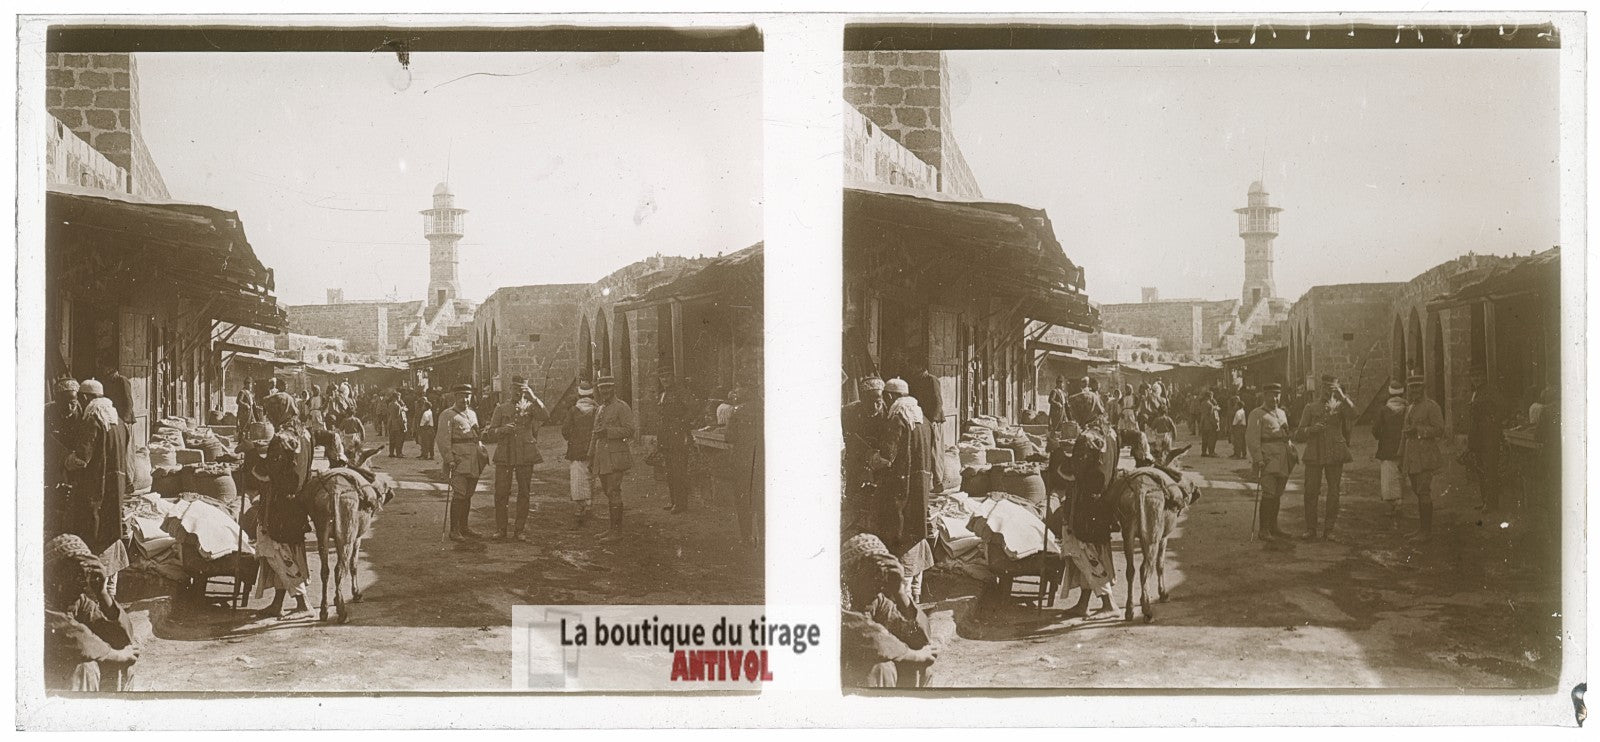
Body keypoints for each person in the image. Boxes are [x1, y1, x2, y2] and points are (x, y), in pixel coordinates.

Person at [62, 379, 130, 598]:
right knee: (111, 532)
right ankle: (111, 594)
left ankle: (98, 599)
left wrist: (64, 460)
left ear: (84, 398)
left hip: (96, 490)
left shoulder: (93, 419)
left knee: (94, 534)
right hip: (115, 488)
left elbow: (82, 459)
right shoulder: (118, 421)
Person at [44, 534, 138, 691]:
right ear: (55, 575)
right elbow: (76, 637)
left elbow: (122, 636)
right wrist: (116, 655)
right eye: (74, 574)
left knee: (125, 658)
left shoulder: (77, 601)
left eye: (84, 575)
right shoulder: (38, 602)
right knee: (85, 668)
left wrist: (102, 592)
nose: (82, 582)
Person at [840, 533, 935, 688]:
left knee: (922, 665)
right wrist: (915, 655)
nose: (880, 581)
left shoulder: (876, 599)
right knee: (881, 669)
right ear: (855, 571)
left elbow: (919, 637)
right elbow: (872, 637)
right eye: (873, 573)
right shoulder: (839, 598)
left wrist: (900, 593)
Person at [870, 378, 935, 603]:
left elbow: (887, 457)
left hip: (901, 489)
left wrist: (871, 461)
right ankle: (916, 593)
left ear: (890, 397)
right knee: (916, 532)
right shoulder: (924, 420)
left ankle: (904, 599)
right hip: (921, 487)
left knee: (899, 534)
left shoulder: (898, 419)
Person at [242, 431, 314, 619]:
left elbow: (267, 472)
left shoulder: (282, 441)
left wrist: (251, 455)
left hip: (281, 512)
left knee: (281, 555)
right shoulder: (302, 436)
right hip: (289, 509)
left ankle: (303, 604)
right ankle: (277, 604)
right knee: (280, 557)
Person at [1058, 426, 1118, 616]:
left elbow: (1074, 471)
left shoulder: (1087, 437)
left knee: (1086, 553)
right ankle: (1083, 604)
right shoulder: (1110, 433)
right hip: (1102, 502)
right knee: (1091, 553)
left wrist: (1057, 455)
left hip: (1085, 506)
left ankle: (1109, 604)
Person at [486, 376, 548, 541]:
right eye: (516, 390)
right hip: (505, 455)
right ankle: (501, 529)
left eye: (522, 390)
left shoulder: (531, 407)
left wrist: (534, 398)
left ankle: (519, 530)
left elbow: (545, 416)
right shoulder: (501, 408)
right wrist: (502, 430)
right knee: (501, 492)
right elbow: (491, 432)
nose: (518, 393)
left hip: (525, 454)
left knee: (524, 493)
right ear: (510, 390)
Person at [1294, 374, 1355, 541]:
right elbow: (1299, 433)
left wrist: (1343, 397)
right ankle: (1311, 529)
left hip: (1335, 453)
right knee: (1310, 491)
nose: (1329, 392)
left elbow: (1354, 414)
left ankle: (1329, 530)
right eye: (1326, 388)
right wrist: (1311, 429)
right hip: (1314, 453)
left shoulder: (1341, 406)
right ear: (1321, 388)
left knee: (1334, 492)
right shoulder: (1310, 407)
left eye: (1332, 389)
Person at [437, 384, 487, 546]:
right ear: (454, 397)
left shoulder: (472, 413)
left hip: (473, 460)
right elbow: (443, 440)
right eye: (461, 396)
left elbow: (476, 435)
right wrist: (449, 459)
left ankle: (465, 527)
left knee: (468, 494)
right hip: (458, 460)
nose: (465, 399)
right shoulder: (447, 415)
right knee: (459, 495)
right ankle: (454, 530)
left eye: (468, 396)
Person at [589, 375, 638, 535]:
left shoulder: (621, 407)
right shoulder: (600, 408)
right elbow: (595, 434)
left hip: (616, 457)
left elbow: (630, 430)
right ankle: (611, 529)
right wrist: (591, 455)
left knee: (614, 491)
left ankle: (616, 532)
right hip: (602, 457)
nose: (605, 391)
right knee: (608, 492)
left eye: (608, 387)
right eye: (602, 388)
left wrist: (608, 432)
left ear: (614, 388)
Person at [1246, 382, 1293, 542]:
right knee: (1269, 494)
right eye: (1272, 395)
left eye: (1277, 394)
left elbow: (1286, 435)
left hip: (1282, 458)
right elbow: (1252, 439)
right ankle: (1264, 529)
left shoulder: (1282, 413)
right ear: (1264, 395)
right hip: (1267, 459)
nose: (1275, 398)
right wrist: (1258, 458)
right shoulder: (1257, 414)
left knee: (1278, 494)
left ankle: (1274, 526)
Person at [1401, 375, 1445, 540]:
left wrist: (1419, 430)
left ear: (1423, 388)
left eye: (1417, 387)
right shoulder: (1410, 407)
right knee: (1417, 490)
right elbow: (1404, 433)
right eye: (1411, 387)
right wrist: (1400, 456)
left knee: (1423, 491)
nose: (1414, 390)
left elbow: (1440, 429)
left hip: (1426, 455)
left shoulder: (1431, 406)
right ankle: (1421, 529)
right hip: (1411, 456)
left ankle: (1426, 532)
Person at [842, 377, 888, 531]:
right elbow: (849, 437)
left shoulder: (887, 412)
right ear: (863, 399)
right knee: (854, 490)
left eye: (879, 399)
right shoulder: (850, 412)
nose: (877, 404)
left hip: (878, 457)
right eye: (872, 400)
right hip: (857, 455)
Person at [45, 378, 83, 536]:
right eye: (64, 403)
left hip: (73, 460)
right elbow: (46, 439)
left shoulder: (81, 411)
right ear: (56, 400)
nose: (69, 407)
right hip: (54, 458)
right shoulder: (47, 412)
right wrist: (64, 456)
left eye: (72, 402)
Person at [728, 385, 764, 550]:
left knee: (743, 500)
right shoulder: (765, 410)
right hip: (760, 461)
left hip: (742, 461)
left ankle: (746, 537)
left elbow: (729, 436)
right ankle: (763, 538)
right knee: (761, 500)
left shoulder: (737, 411)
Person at [657, 373, 697, 514]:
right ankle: (674, 501)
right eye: (662, 377)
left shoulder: (681, 393)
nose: (665, 379)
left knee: (679, 469)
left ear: (673, 378)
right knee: (669, 470)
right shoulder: (662, 395)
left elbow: (693, 408)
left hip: (678, 436)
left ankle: (681, 504)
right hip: (665, 436)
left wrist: (681, 424)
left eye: (667, 376)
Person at [907, 362, 948, 493]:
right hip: (923, 420)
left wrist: (934, 420)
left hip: (934, 421)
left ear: (921, 366)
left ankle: (938, 482)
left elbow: (938, 402)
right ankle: (931, 482)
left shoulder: (931, 379)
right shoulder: (916, 381)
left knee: (934, 451)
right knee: (926, 451)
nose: (911, 368)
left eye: (913, 366)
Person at [1372, 380, 1409, 526]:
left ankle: (1395, 504)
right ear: (1402, 393)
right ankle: (1401, 502)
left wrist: (1381, 436)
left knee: (1389, 475)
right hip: (1405, 447)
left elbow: (1375, 430)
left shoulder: (1384, 410)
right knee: (1402, 474)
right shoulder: (1407, 408)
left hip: (1387, 448)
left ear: (1389, 394)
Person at [1465, 374, 1504, 513]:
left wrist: (1493, 423)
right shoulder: (1475, 393)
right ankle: (1484, 501)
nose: (1476, 379)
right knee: (1481, 469)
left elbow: (1500, 409)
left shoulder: (1490, 392)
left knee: (1489, 470)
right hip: (1477, 436)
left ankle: (1492, 504)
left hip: (1488, 436)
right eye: (1474, 376)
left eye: (1479, 376)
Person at [562, 382, 598, 527]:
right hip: (593, 448)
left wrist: (572, 439)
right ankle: (589, 503)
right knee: (591, 476)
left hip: (576, 450)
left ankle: (580, 505)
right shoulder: (597, 410)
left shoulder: (573, 410)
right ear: (592, 396)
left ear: (579, 396)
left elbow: (565, 430)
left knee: (578, 476)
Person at [1198, 391, 1221, 457]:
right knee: (1211, 438)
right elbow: (1211, 416)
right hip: (1209, 424)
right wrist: (1215, 424)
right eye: (1212, 395)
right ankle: (1211, 452)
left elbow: (1201, 414)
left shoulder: (1202, 403)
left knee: (1204, 438)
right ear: (1209, 396)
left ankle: (1203, 452)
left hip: (1203, 423)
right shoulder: (1210, 405)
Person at [386, 391, 409, 457]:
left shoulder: (390, 404)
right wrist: (403, 426)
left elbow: (389, 414)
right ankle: (399, 453)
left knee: (392, 439)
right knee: (399, 439)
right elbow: (399, 417)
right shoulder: (397, 406)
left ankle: (391, 453)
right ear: (396, 397)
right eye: (399, 396)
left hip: (391, 424)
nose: (400, 398)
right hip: (397, 425)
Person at [1228, 395, 1249, 459]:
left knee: (1238, 440)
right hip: (1237, 425)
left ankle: (1238, 454)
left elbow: (1238, 418)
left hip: (1238, 426)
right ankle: (1239, 453)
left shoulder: (1238, 410)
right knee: (1237, 440)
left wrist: (1236, 425)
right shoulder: (1234, 408)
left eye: (1237, 399)